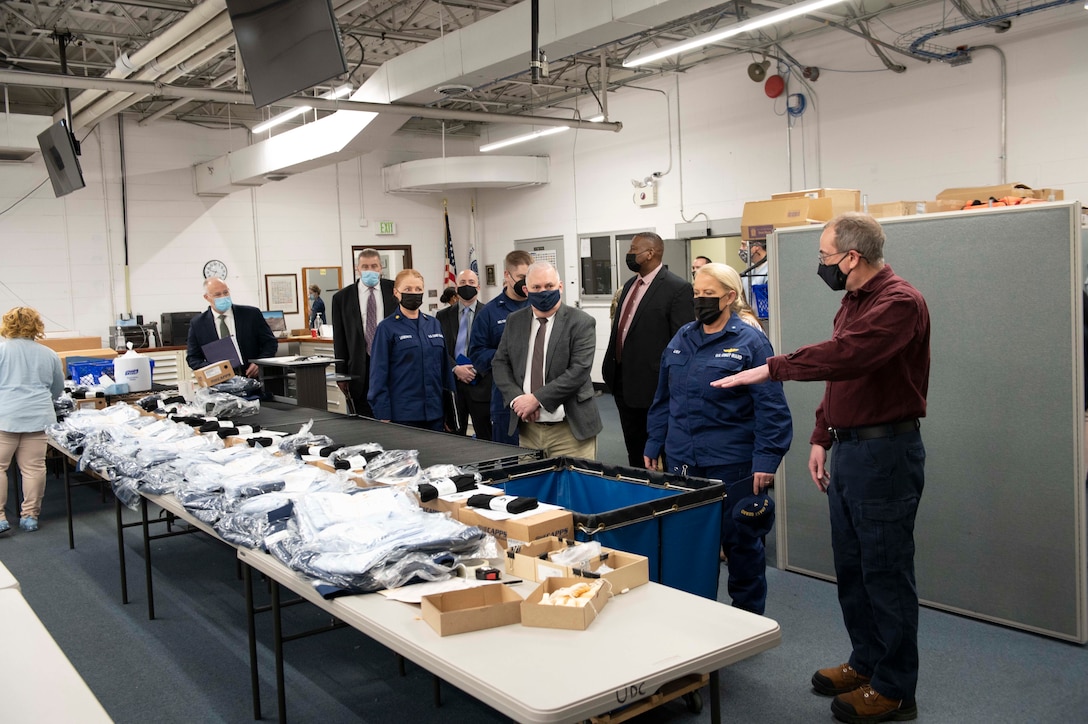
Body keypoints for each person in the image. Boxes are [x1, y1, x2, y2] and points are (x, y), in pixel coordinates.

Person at [714, 212, 930, 724]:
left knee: (885, 573)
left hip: (885, 456)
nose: (821, 264)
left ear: (852, 257)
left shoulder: (899, 303)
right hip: (851, 449)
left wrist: (773, 367)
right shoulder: (854, 300)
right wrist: (821, 434)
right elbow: (843, 379)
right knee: (853, 568)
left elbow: (847, 357)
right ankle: (868, 663)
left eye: (824, 256)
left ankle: (896, 689)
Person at [643, 263, 792, 614]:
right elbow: (664, 398)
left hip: (733, 464)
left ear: (729, 296)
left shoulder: (750, 342)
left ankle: (747, 619)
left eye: (709, 295)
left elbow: (772, 407)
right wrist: (654, 441)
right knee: (689, 543)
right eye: (697, 294)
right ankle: (697, 616)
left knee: (742, 543)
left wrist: (767, 460)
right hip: (684, 461)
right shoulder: (682, 338)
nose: (700, 301)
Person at [493, 261, 602, 459]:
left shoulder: (581, 322)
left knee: (574, 488)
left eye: (549, 286)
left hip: (570, 431)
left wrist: (536, 400)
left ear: (560, 286)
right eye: (536, 287)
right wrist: (518, 399)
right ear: (526, 290)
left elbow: (578, 371)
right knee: (530, 487)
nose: (543, 291)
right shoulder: (514, 321)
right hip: (528, 430)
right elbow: (500, 363)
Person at [603, 232, 694, 468]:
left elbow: (681, 342)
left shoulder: (677, 288)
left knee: (656, 452)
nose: (629, 254)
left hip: (653, 386)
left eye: (633, 249)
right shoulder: (630, 286)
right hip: (623, 381)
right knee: (634, 451)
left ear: (650, 253)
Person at [0, 307, 65, 534]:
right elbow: (58, 389)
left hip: (5, 417)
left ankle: (0, 518)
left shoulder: (1, 350)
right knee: (34, 468)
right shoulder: (49, 354)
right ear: (36, 326)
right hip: (39, 416)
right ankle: (30, 516)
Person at [368, 269, 453, 431]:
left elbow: (445, 371)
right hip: (403, 415)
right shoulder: (387, 328)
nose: (413, 293)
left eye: (418, 289)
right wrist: (382, 413)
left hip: (435, 412)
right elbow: (378, 375)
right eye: (407, 289)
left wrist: (450, 411)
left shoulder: (433, 324)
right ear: (396, 293)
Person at [468, 250, 532, 444]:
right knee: (509, 458)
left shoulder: (540, 307)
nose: (526, 282)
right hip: (505, 399)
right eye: (521, 277)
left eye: (529, 277)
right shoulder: (489, 312)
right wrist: (508, 356)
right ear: (507, 275)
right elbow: (476, 353)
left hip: (538, 396)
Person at [332, 249, 397, 417]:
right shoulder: (342, 298)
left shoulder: (394, 291)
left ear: (381, 268)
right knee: (363, 417)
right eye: (365, 266)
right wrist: (341, 373)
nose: (370, 270)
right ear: (357, 269)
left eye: (374, 266)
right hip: (359, 367)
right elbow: (340, 339)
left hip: (391, 363)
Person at [437, 269, 491, 440]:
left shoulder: (490, 313)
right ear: (455, 287)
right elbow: (440, 348)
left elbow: (495, 348)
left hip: (482, 384)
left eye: (471, 283)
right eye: (462, 283)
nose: (467, 286)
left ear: (479, 287)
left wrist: (476, 370)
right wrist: (455, 368)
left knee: (485, 437)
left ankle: (487, 468)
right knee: (453, 438)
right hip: (453, 386)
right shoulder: (442, 315)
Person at [186, 278, 278, 378]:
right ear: (207, 297)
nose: (223, 297)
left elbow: (270, 343)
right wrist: (214, 370)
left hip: (252, 378)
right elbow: (193, 358)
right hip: (220, 384)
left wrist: (259, 363)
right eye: (217, 295)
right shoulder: (198, 324)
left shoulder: (251, 314)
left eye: (225, 292)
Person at [739, 240, 768, 308]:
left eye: (743, 245)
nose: (741, 249)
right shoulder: (748, 271)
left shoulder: (770, 270)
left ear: (756, 246)